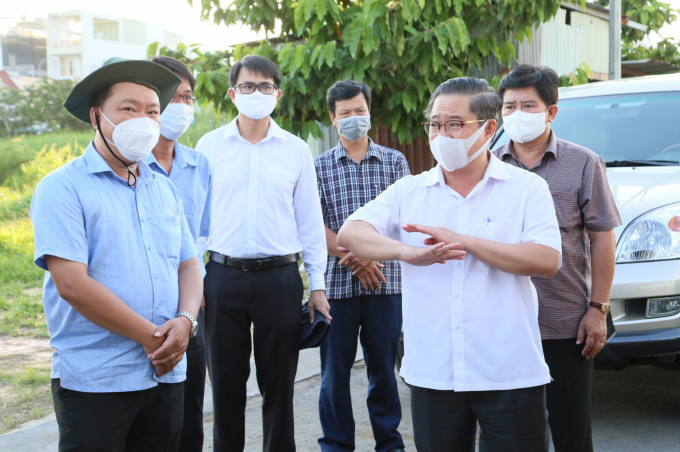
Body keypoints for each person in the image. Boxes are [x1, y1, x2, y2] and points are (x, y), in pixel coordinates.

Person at [336, 77, 562, 452]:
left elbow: (546, 259)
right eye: (435, 124)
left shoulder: (525, 189)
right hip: (435, 372)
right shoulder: (410, 190)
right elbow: (350, 232)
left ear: (489, 128)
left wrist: (465, 241)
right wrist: (405, 253)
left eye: (454, 124)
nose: (442, 134)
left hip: (508, 370)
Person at [30, 57, 204, 452]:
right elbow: (72, 284)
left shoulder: (163, 187)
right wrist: (156, 339)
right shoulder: (62, 188)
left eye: (152, 111)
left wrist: (187, 321)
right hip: (99, 379)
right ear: (96, 117)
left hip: (166, 375)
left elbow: (189, 264)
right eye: (128, 109)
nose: (143, 120)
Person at [195, 55, 330, 452]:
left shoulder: (295, 149)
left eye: (266, 87)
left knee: (279, 385)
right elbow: (197, 220)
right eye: (248, 86)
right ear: (233, 93)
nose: (257, 93)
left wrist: (317, 286)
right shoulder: (208, 147)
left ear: (278, 94)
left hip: (279, 279)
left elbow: (309, 222)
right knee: (225, 386)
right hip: (221, 278)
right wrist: (192, 283)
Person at [491, 64, 621, 452]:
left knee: (571, 430)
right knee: (509, 433)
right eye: (508, 106)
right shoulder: (488, 166)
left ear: (551, 112)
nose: (516, 114)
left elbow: (602, 240)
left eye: (527, 105)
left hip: (566, 324)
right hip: (504, 324)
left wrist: (597, 309)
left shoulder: (583, 163)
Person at [314, 80, 410, 452]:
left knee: (384, 371)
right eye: (345, 114)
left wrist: (372, 254)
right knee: (333, 376)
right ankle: (336, 446)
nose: (353, 118)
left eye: (359, 111)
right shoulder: (318, 166)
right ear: (332, 119)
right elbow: (312, 223)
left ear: (369, 112)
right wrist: (353, 255)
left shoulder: (395, 161)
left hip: (385, 281)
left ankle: (390, 444)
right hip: (336, 286)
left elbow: (402, 219)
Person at [144, 56, 213, 452]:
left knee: (189, 423)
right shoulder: (132, 166)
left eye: (188, 96)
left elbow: (200, 239)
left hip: (188, 313)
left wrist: (193, 301)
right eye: (173, 96)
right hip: (140, 313)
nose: (182, 105)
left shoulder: (198, 164)